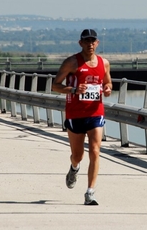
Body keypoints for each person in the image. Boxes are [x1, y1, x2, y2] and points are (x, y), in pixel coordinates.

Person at [52, 29, 112, 205]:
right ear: (80, 43)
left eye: (93, 41)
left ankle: (90, 192)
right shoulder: (71, 62)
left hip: (95, 112)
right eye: (87, 41)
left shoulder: (104, 63)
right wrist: (73, 90)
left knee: (95, 151)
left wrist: (107, 89)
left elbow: (107, 82)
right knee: (77, 155)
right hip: (75, 114)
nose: (90, 44)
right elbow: (55, 86)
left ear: (98, 43)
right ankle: (74, 167)